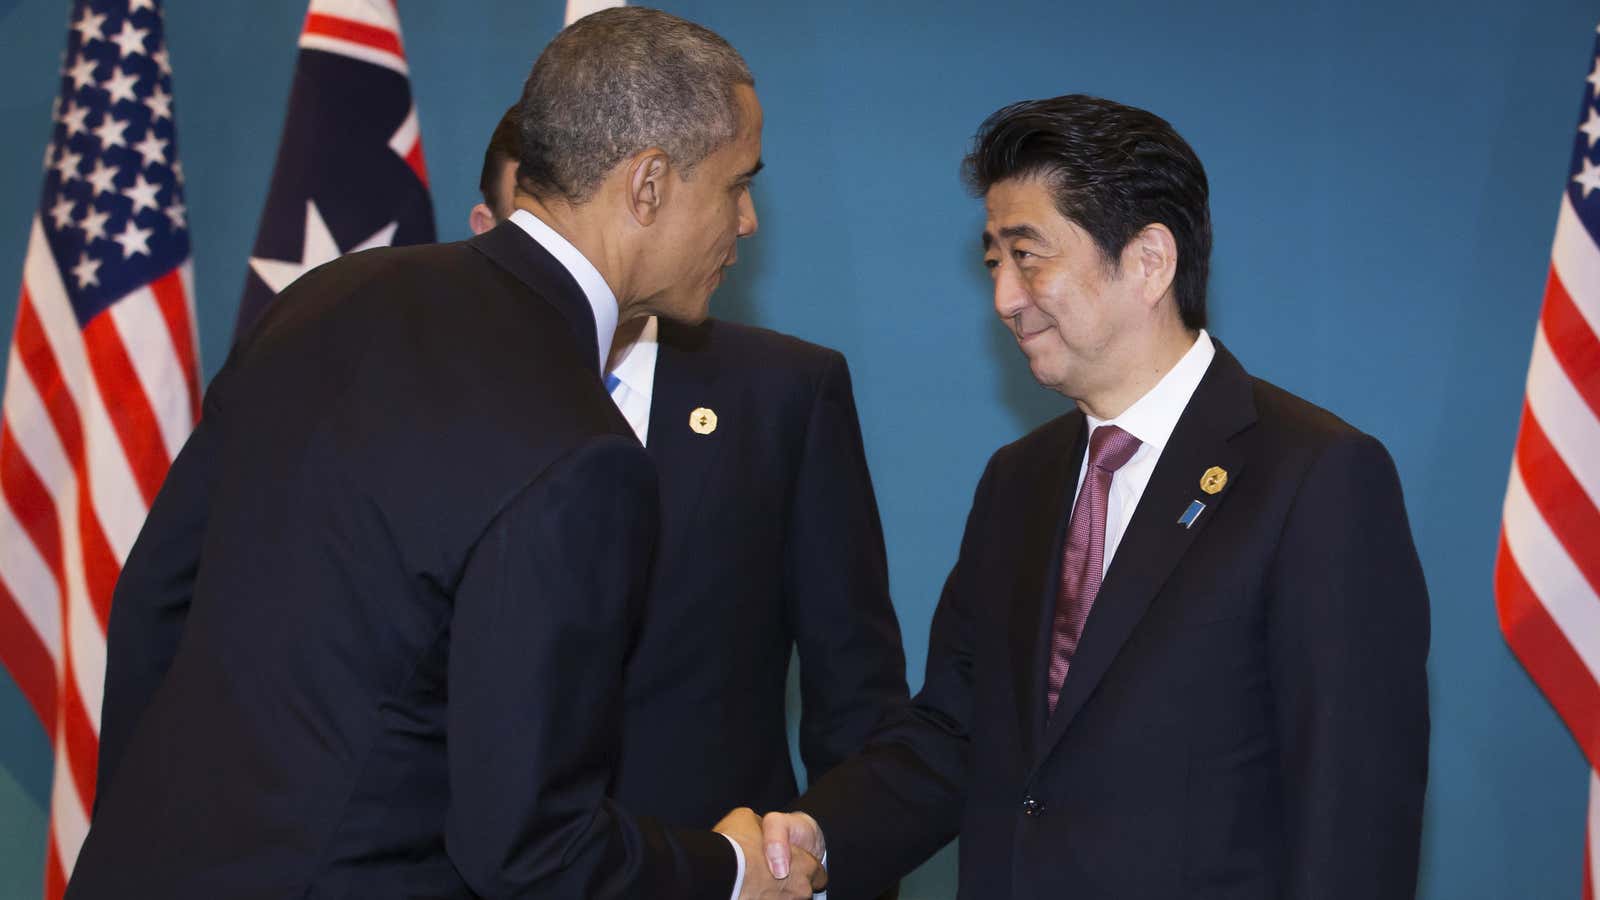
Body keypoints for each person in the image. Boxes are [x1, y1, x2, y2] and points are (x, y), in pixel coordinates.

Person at [69, 9, 823, 899]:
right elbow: (530, 848)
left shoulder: (329, 297)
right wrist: (732, 870)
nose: (746, 221)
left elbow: (156, 600)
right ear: (649, 185)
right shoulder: (586, 450)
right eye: (738, 184)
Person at [761, 94, 1431, 900]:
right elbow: (953, 734)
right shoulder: (1019, 480)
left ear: (1149, 260)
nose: (1006, 296)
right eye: (992, 263)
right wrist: (822, 834)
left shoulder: (1315, 477)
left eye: (1028, 254)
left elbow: (1352, 818)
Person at [470, 106, 910, 839]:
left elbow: (856, 694)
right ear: (489, 233)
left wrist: (841, 868)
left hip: (717, 867)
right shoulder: (431, 396)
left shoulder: (785, 394)